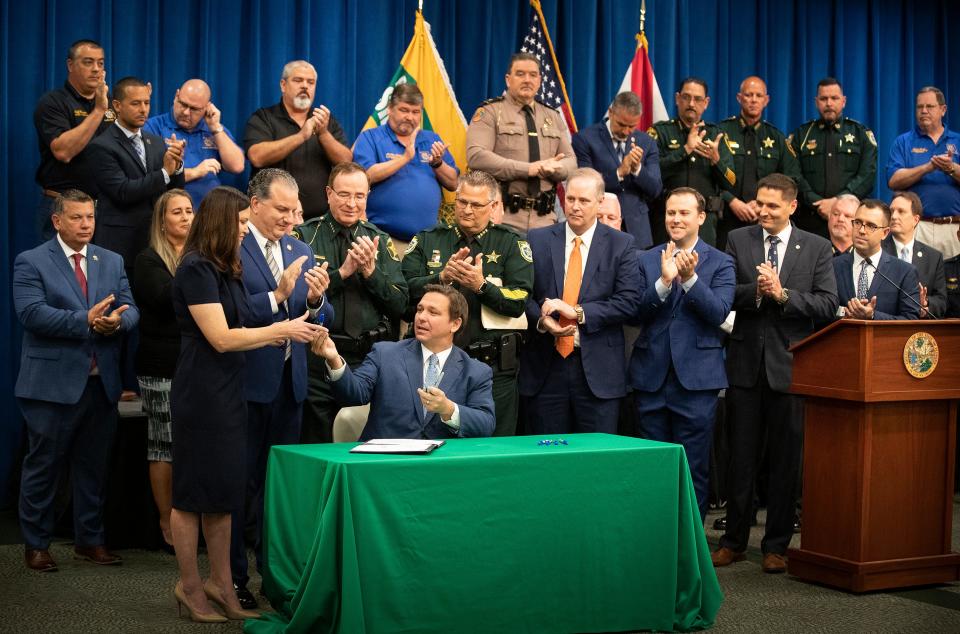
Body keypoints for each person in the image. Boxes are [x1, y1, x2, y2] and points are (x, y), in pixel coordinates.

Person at [169, 186, 321, 622]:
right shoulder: (196, 268)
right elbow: (221, 337)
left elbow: (245, 315)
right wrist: (283, 331)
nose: (243, 230)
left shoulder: (226, 265)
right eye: (238, 223)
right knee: (192, 495)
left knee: (225, 492)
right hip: (201, 393)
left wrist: (280, 293)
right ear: (218, 222)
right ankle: (190, 587)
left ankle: (222, 585)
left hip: (230, 390)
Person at [714, 173, 837, 574]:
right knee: (741, 458)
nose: (762, 211)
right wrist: (757, 291)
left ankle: (777, 546)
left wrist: (783, 295)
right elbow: (724, 291)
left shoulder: (817, 247)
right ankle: (733, 541)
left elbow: (826, 304)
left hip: (791, 369)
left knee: (786, 462)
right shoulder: (738, 239)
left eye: (771, 205)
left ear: (792, 207)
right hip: (745, 367)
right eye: (759, 203)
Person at [14, 189, 139, 572]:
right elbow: (31, 314)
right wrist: (85, 320)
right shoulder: (31, 261)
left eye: (90, 217)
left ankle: (90, 540)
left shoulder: (111, 260)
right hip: (51, 386)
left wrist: (117, 321)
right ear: (57, 221)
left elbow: (131, 308)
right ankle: (36, 544)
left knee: (93, 468)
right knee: (44, 467)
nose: (86, 224)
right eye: (77, 218)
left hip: (101, 385)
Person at [231, 168, 334, 608]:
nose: (292, 218)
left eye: (296, 210)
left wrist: (314, 300)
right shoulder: (231, 249)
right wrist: (277, 293)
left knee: (278, 488)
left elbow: (317, 317)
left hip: (291, 388)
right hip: (247, 384)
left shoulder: (299, 248)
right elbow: (229, 312)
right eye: (282, 209)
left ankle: (275, 575)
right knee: (242, 485)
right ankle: (233, 577)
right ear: (255, 204)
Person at [628, 187, 735, 520]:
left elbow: (719, 312)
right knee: (652, 467)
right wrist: (663, 281)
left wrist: (689, 280)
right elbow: (633, 312)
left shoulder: (720, 261)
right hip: (651, 378)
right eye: (670, 212)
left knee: (694, 467)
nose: (675, 219)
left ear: (701, 217)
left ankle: (692, 548)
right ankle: (654, 541)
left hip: (697, 381)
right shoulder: (646, 258)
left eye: (684, 213)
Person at [402, 170, 534, 436]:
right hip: (432, 365)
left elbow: (519, 299)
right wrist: (441, 278)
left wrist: (482, 287)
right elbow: (402, 295)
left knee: (495, 449)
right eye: (462, 202)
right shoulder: (428, 239)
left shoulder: (511, 243)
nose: (467, 210)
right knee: (431, 442)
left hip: (492, 366)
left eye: (476, 204)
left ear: (494, 206)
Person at [519, 168, 641, 434]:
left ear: (599, 203)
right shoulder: (537, 239)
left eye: (584, 201)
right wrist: (542, 321)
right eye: (570, 199)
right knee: (547, 458)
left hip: (598, 372)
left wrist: (577, 312)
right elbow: (523, 294)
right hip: (545, 368)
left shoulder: (621, 244)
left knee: (596, 462)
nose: (575, 206)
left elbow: (629, 301)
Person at [295, 162, 408, 443]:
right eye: (344, 194)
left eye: (360, 196)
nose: (352, 203)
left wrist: (370, 273)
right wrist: (342, 273)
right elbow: (294, 301)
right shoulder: (304, 238)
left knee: (366, 443)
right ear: (328, 193)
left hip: (369, 359)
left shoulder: (380, 240)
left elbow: (401, 305)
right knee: (317, 443)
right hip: (318, 357)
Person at [312, 284, 495, 439]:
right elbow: (352, 395)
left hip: (442, 468)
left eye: (433, 312)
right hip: (385, 464)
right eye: (420, 310)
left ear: (454, 324)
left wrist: (448, 409)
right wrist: (334, 359)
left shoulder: (476, 371)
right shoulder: (385, 353)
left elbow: (486, 425)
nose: (421, 317)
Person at [133, 189, 194, 552]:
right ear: (162, 221)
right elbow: (167, 299)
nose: (186, 217)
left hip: (194, 367)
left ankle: (188, 514)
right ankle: (165, 517)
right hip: (161, 368)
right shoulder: (148, 259)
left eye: (190, 211)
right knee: (163, 445)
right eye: (178, 212)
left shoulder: (199, 257)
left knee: (188, 444)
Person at [466, 52, 577, 234]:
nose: (527, 80)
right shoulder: (491, 111)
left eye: (533, 75)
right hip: (502, 218)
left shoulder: (553, 116)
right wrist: (527, 169)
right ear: (508, 80)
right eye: (520, 74)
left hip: (545, 221)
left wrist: (555, 168)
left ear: (540, 80)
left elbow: (572, 162)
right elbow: (476, 156)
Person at [87, 76, 186, 273]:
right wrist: (165, 172)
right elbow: (123, 192)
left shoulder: (156, 142)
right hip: (121, 245)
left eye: (147, 103)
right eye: (135, 103)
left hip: (156, 243)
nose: (143, 109)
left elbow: (173, 191)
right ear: (117, 105)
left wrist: (177, 166)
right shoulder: (102, 146)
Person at [352, 83, 459, 249]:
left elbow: (454, 183)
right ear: (389, 109)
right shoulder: (371, 137)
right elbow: (366, 176)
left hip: (427, 243)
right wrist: (405, 158)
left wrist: (438, 164)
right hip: (384, 239)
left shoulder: (431, 139)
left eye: (416, 112)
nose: (410, 117)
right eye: (404, 110)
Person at [244, 60, 352, 220]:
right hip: (273, 218)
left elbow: (346, 162)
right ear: (283, 85)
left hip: (319, 220)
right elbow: (257, 157)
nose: (305, 86)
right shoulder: (264, 117)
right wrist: (301, 136)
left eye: (310, 82)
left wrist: (323, 134)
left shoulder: (325, 121)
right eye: (298, 80)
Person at [34, 39, 111, 239]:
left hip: (104, 210)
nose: (96, 69)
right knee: (60, 269)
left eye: (100, 63)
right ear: (70, 65)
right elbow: (63, 152)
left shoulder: (113, 104)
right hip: (64, 207)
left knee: (101, 269)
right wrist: (98, 110)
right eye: (88, 62)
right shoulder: (53, 102)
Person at [648, 78, 736, 247]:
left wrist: (716, 161)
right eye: (686, 97)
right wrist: (685, 150)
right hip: (667, 219)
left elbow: (731, 182)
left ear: (706, 103)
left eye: (697, 99)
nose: (691, 103)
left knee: (702, 270)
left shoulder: (716, 135)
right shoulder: (660, 132)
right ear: (677, 99)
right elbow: (651, 174)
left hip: (705, 222)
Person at [717, 76, 803, 250]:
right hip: (726, 215)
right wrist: (732, 200)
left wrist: (762, 204)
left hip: (766, 218)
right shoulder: (721, 132)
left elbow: (792, 177)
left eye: (758, 95)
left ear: (766, 100)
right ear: (739, 98)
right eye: (748, 95)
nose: (753, 100)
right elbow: (710, 173)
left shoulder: (776, 137)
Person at [789, 78, 878, 238]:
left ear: (843, 101)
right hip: (810, 220)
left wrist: (837, 203)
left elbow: (867, 175)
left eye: (834, 98)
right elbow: (794, 175)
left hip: (851, 221)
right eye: (823, 99)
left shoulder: (861, 134)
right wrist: (817, 203)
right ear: (816, 102)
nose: (829, 103)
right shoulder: (801, 134)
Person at [572, 91, 662, 249]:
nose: (626, 131)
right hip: (597, 224)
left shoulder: (647, 142)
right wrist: (619, 172)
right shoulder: (585, 139)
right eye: (621, 124)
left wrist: (637, 169)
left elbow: (655, 189)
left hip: (637, 232)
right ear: (611, 113)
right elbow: (584, 186)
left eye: (632, 126)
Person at [143, 79, 245, 208]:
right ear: (176, 96)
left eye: (194, 109)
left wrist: (216, 128)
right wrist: (196, 172)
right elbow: (150, 176)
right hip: (170, 212)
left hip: (210, 213)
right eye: (183, 104)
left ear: (207, 108)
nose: (186, 112)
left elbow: (237, 166)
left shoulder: (213, 129)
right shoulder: (153, 127)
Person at [885, 87, 960, 258]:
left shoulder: (957, 140)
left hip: (954, 228)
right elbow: (893, 180)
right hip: (917, 227)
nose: (924, 111)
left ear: (943, 110)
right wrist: (928, 167)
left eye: (930, 106)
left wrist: (951, 168)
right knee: (916, 280)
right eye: (919, 107)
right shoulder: (904, 142)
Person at [834, 200, 921, 320]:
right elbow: (821, 310)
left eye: (871, 226)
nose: (862, 230)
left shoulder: (904, 272)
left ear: (885, 233)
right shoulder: (833, 266)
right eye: (858, 222)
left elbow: (911, 319)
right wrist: (844, 312)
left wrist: (873, 316)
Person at [884, 191, 947, 318]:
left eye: (901, 211)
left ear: (915, 219)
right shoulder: (878, 250)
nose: (894, 216)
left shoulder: (933, 257)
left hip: (920, 328)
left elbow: (941, 301)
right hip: (886, 324)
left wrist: (926, 304)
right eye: (891, 211)